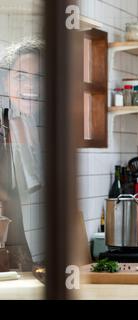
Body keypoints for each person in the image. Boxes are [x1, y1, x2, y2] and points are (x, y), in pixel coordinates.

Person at [0, 37, 44, 271]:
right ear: (6, 83)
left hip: (42, 250)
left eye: (37, 78)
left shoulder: (50, 129)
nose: (30, 86)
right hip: (13, 250)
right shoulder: (4, 126)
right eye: (21, 77)